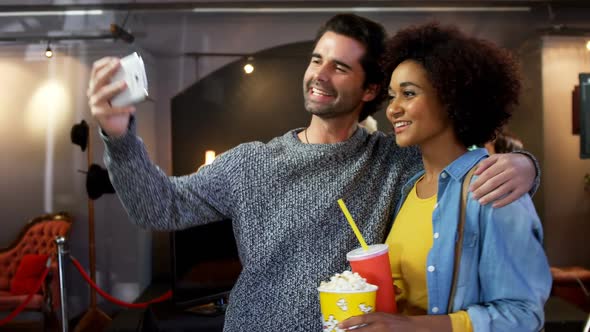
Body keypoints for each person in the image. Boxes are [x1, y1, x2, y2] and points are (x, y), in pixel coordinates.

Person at [87, 14, 540, 331]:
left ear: (370, 90)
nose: (320, 75)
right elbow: (157, 207)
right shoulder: (252, 162)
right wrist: (118, 135)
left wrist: (524, 165)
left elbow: (465, 155)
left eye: (340, 67)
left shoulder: (395, 158)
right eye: (316, 60)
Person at [340, 23, 551, 332]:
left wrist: (411, 326)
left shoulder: (492, 187)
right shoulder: (411, 189)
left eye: (409, 94)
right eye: (392, 96)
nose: (393, 109)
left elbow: (522, 315)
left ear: (452, 98)